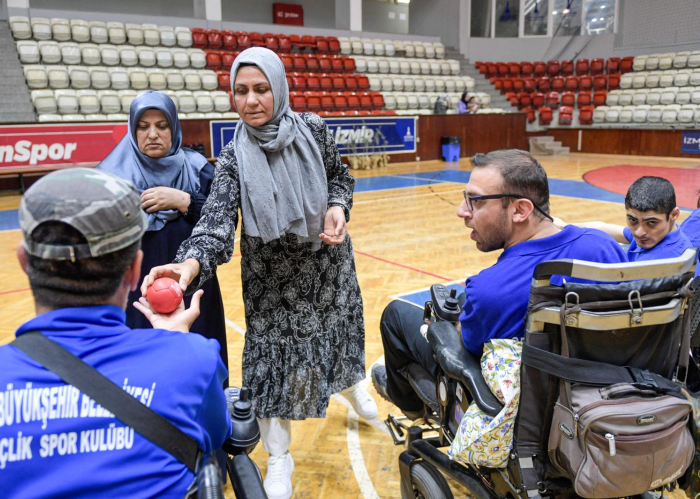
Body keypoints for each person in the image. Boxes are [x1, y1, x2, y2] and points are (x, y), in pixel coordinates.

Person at [141, 47, 377, 499]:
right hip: (272, 285)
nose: (250, 100)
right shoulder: (233, 158)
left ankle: (348, 384)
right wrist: (188, 264)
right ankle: (279, 457)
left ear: (279, 88)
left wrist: (337, 206)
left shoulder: (314, 129)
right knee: (269, 371)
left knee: (336, 335)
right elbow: (215, 223)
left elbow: (340, 177)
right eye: (241, 91)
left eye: (261, 89)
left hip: (328, 266)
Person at [0, 168, 231, 498]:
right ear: (134, 269)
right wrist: (175, 346)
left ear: (24, 261)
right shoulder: (194, 361)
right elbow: (215, 438)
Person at [371, 150, 628, 419]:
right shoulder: (604, 247)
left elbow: (465, 349)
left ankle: (411, 406)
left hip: (521, 407)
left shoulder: (490, 290)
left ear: (520, 210)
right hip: (596, 391)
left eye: (476, 201)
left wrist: (449, 327)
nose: (461, 211)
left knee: (395, 316)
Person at [96, 91, 227, 369]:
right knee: (141, 368)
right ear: (133, 130)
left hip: (193, 285)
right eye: (143, 127)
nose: (153, 134)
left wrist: (185, 201)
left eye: (162, 125)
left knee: (198, 365)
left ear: (174, 128)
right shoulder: (109, 178)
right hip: (136, 291)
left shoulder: (200, 170)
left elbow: (224, 223)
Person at [555, 176, 692, 262]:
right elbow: (603, 227)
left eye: (651, 223)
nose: (639, 232)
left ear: (674, 214)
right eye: (633, 220)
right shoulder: (664, 235)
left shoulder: (657, 263)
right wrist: (564, 226)